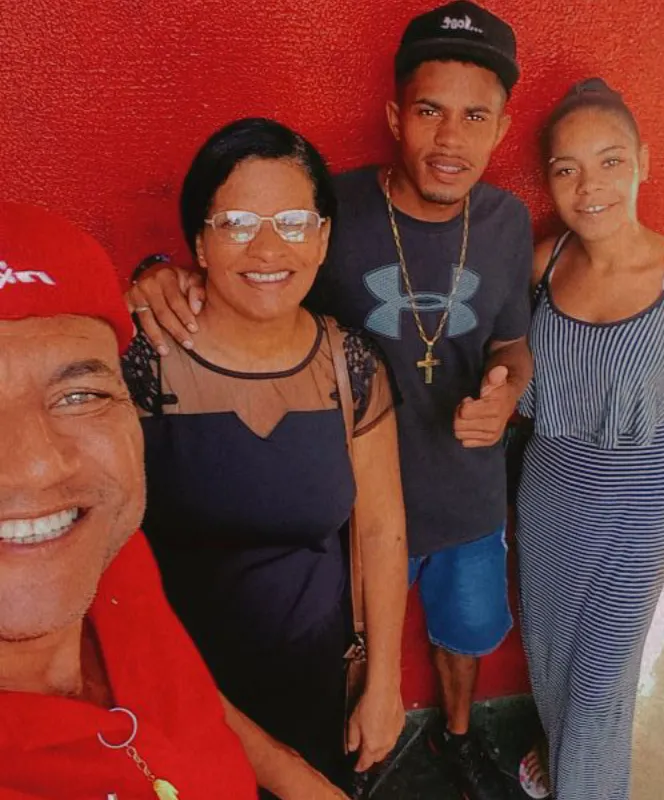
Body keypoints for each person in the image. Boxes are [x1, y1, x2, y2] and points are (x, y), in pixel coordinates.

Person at [126, 3, 534, 798]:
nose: (450, 139)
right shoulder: (330, 210)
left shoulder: (507, 221)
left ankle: (454, 739)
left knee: (463, 637)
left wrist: (511, 386)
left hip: (465, 492)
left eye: (475, 116)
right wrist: (156, 274)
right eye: (429, 111)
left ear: (502, 128)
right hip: (335, 501)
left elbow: (511, 342)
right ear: (395, 116)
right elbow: (251, 275)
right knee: (346, 653)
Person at [0, 200, 362, 800]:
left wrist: (293, 776)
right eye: (238, 223)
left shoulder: (103, 549)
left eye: (80, 396)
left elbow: (175, 682)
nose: (38, 466)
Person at [122, 117, 408, 796]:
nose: (269, 247)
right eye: (237, 223)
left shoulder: (351, 364)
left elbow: (382, 528)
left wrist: (384, 683)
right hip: (177, 694)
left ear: (324, 236)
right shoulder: (141, 363)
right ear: (199, 241)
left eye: (294, 222)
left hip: (317, 685)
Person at [516, 78, 664, 800]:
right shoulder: (541, 264)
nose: (589, 186)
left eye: (610, 161)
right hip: (547, 493)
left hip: (639, 506)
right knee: (550, 659)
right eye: (566, 168)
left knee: (603, 682)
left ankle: (585, 782)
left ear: (643, 161)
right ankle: (558, 753)